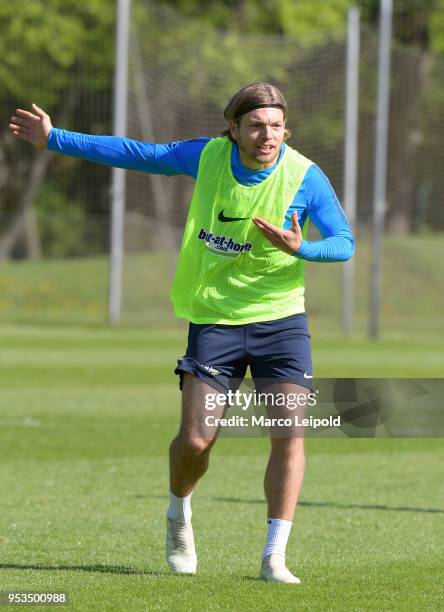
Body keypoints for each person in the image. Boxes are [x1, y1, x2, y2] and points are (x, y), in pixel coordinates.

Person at [9, 82, 354, 584]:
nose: (267, 136)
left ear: (286, 131)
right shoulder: (207, 157)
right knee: (196, 440)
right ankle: (179, 515)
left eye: (276, 126)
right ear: (233, 129)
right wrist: (55, 138)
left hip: (281, 321)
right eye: (256, 125)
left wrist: (303, 249)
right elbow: (137, 153)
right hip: (215, 320)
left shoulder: (306, 176)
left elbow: (344, 243)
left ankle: (274, 556)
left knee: (289, 434)